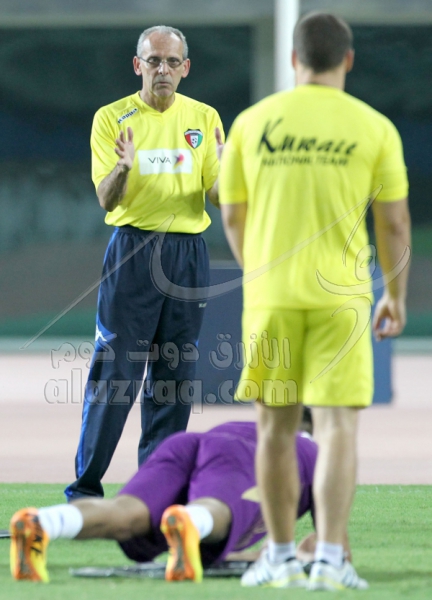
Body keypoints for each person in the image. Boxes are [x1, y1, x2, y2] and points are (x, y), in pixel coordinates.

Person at [219, 12, 410, 592]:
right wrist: (395, 295)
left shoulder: (252, 123)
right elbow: (394, 224)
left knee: (275, 429)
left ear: (294, 60)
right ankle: (329, 558)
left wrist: (260, 274)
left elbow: (232, 215)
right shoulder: (374, 127)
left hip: (272, 298)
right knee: (337, 429)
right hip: (342, 303)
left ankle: (279, 557)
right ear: (347, 60)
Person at [65, 25, 224, 501]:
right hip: (133, 251)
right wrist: (123, 167)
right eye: (154, 61)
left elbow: (217, 196)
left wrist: (231, 172)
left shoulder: (204, 117)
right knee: (115, 373)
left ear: (185, 68)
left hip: (187, 256)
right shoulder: (112, 118)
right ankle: (85, 492)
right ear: (138, 65)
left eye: (172, 62)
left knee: (174, 378)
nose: (163, 70)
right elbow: (106, 199)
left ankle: (157, 493)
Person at [10, 420, 318, 584]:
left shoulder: (253, 424)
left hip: (188, 443)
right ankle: (191, 520)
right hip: (242, 457)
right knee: (216, 508)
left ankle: (44, 522)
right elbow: (329, 543)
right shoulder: (315, 453)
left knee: (125, 512)